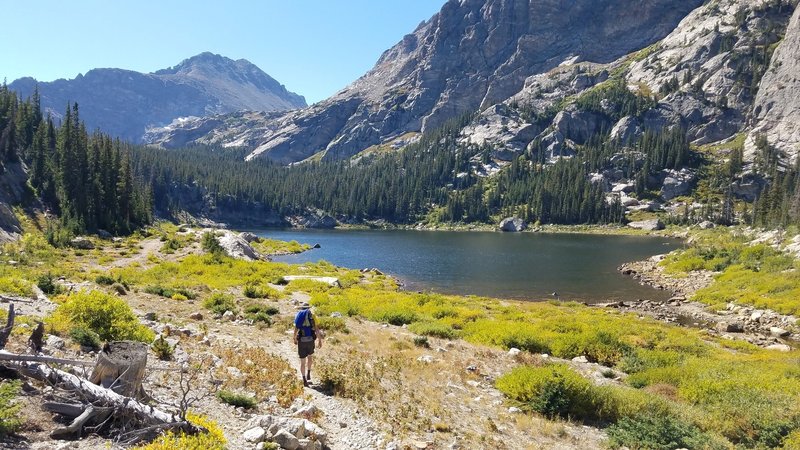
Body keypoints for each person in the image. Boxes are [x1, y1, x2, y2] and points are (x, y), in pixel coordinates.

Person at [293, 302, 322, 386]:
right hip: (310, 340)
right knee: (310, 357)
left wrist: (294, 338)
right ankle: (308, 373)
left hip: (302, 340)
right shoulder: (312, 316)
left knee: (302, 362)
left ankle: (304, 379)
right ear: (308, 308)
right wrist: (319, 340)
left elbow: (296, 328)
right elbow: (316, 329)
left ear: (301, 308)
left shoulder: (298, 315)